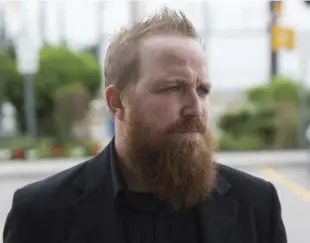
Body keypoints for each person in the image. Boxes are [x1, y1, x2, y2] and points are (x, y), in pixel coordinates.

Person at [3, 8, 287, 243]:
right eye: (174, 88)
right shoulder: (41, 214)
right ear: (116, 102)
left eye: (202, 90)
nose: (195, 108)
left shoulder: (257, 205)